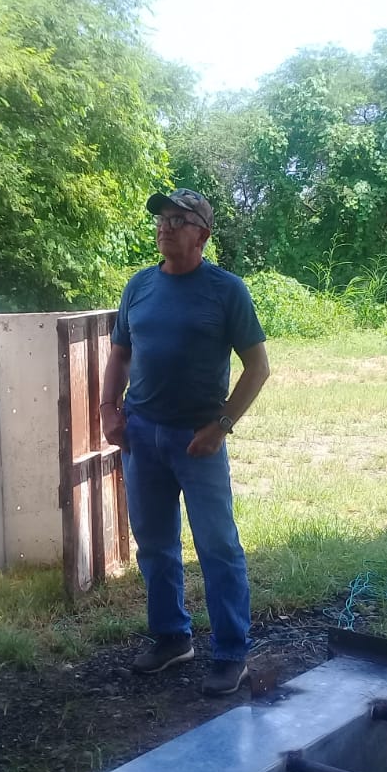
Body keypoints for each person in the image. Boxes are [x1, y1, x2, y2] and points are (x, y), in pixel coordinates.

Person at [100, 188, 271, 696]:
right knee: (154, 545)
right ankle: (172, 637)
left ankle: (232, 653)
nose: (165, 227)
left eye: (179, 220)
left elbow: (257, 368)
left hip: (198, 439)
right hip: (142, 435)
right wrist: (109, 409)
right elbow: (120, 355)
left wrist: (220, 427)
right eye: (162, 219)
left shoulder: (226, 290)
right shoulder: (139, 286)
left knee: (218, 547)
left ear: (203, 234)